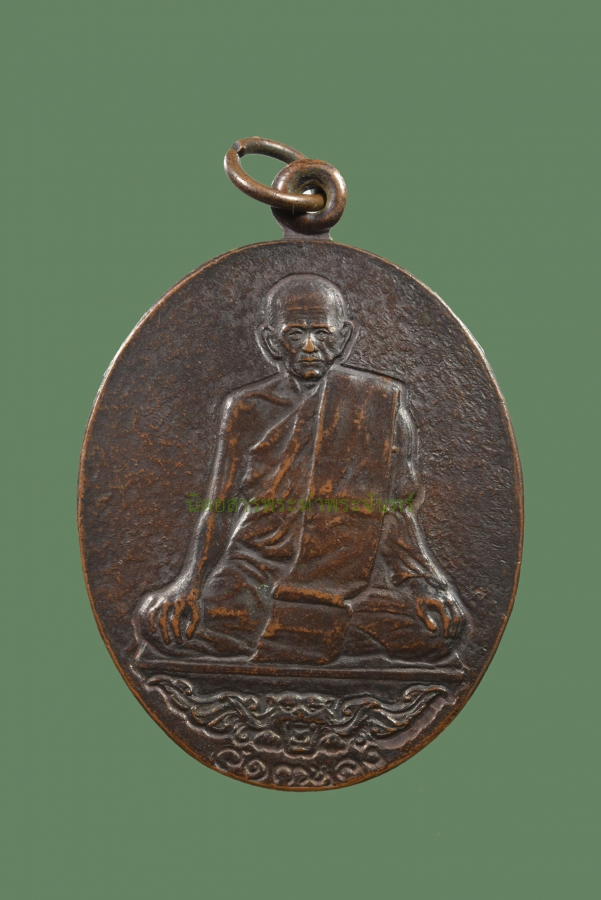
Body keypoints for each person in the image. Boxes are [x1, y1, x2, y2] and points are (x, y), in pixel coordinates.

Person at [134, 274, 466, 665]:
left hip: (344, 577)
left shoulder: (378, 405)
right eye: (295, 334)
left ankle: (295, 633)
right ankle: (315, 633)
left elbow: (394, 511)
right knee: (162, 625)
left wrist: (424, 582)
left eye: (322, 333)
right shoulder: (246, 409)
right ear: (270, 341)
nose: (309, 347)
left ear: (343, 338)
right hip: (256, 571)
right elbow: (219, 508)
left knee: (437, 631)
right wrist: (188, 585)